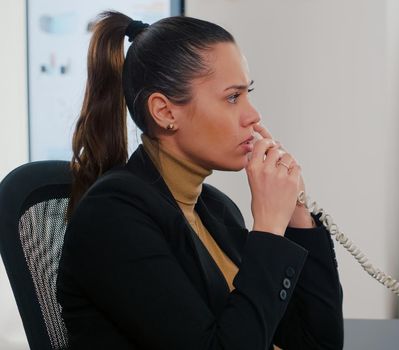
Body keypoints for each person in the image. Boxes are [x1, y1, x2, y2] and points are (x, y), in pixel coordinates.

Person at [56, 11, 343, 349]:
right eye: (233, 97)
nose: (253, 115)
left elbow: (319, 342)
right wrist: (268, 229)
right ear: (165, 112)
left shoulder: (215, 209)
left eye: (247, 93)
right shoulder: (112, 217)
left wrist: (296, 212)